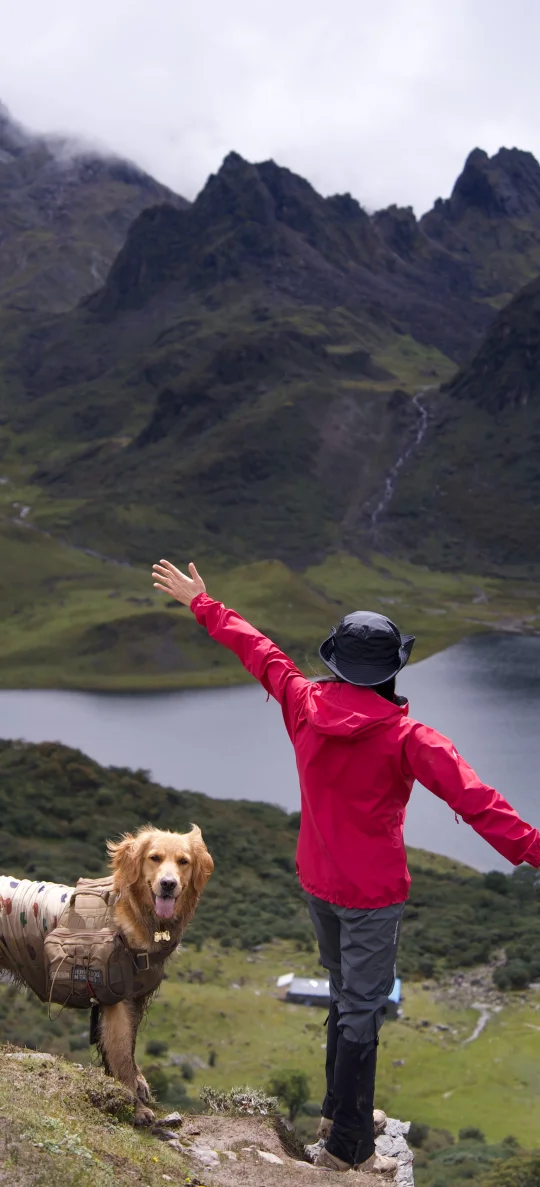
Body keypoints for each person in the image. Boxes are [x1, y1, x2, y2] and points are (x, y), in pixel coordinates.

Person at [151, 559, 540, 1175]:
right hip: (373, 895)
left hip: (318, 882)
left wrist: (203, 602)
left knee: (343, 992)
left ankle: (336, 1111)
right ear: (391, 670)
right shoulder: (412, 740)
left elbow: (260, 652)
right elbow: (480, 804)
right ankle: (346, 1146)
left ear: (336, 662)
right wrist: (535, 850)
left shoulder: (303, 703)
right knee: (361, 1006)